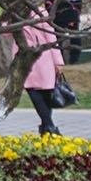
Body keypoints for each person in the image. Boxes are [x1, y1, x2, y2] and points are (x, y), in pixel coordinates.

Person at [21, 8, 66, 136]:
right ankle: (50, 127)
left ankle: (46, 128)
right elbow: (5, 32)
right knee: (32, 89)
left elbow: (51, 36)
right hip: (25, 58)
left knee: (46, 93)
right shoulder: (15, 13)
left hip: (43, 57)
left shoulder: (40, 13)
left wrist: (58, 61)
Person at [53, 0, 83, 65]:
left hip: (71, 8)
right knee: (56, 37)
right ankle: (59, 60)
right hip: (58, 8)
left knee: (74, 37)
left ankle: (74, 60)